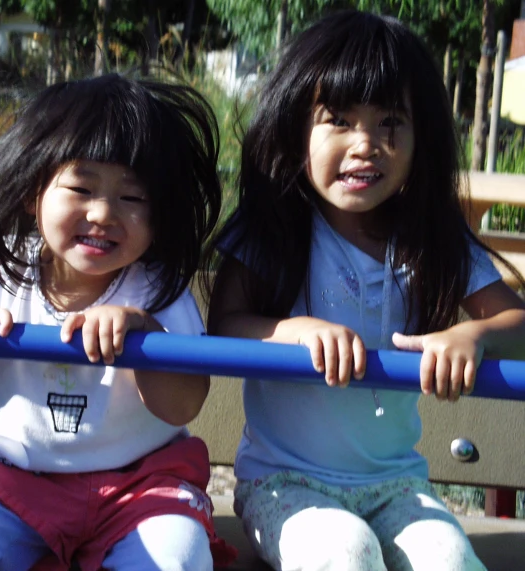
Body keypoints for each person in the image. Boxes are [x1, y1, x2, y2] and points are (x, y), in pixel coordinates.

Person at [206, 10, 525, 571]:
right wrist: (293, 331)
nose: (366, 145)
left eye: (390, 123)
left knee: (449, 560)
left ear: (420, 139)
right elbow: (226, 324)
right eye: (340, 121)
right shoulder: (275, 232)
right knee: (343, 554)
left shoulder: (432, 241)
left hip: (396, 485)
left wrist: (471, 335)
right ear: (294, 127)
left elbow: (517, 324)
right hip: (283, 482)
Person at [0, 72, 236, 571]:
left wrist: (144, 336)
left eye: (132, 198)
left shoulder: (157, 288)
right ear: (32, 191)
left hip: (140, 482)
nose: (103, 213)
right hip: (20, 473)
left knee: (177, 554)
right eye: (81, 187)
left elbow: (183, 404)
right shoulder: (2, 265)